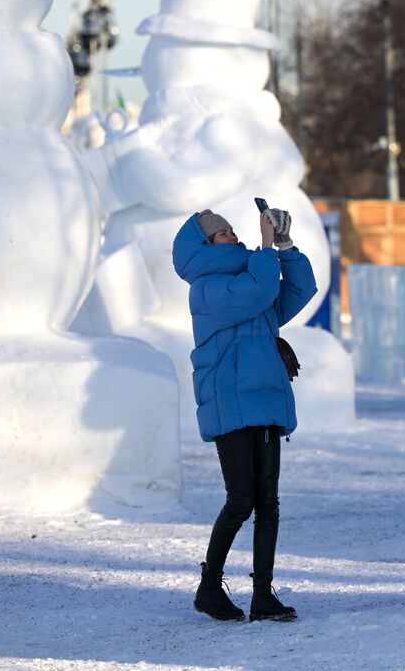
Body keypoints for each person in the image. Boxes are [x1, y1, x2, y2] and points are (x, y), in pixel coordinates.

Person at [172, 205, 316, 623]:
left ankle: (262, 595)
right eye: (223, 234)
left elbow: (299, 292)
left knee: (267, 502)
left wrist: (285, 247)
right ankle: (209, 586)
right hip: (231, 402)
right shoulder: (208, 288)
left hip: (266, 398)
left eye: (233, 231)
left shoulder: (257, 274)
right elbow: (256, 292)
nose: (233, 236)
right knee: (240, 500)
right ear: (203, 247)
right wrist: (267, 249)